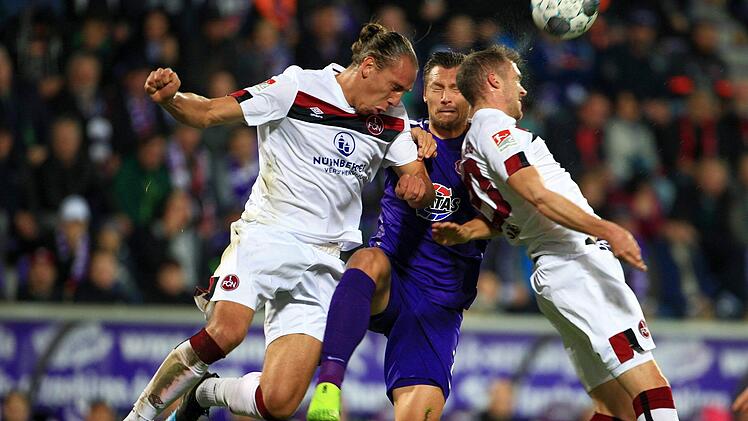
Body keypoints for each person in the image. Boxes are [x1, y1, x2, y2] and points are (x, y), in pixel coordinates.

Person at [124, 23, 437, 421]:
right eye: (395, 87)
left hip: (325, 260)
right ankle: (140, 415)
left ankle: (203, 393)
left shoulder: (392, 118)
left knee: (279, 402)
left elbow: (420, 181)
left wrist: (417, 187)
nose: (398, 98)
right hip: (268, 235)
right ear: (368, 66)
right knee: (227, 332)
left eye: (404, 93)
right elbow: (206, 112)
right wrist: (171, 100)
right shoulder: (296, 88)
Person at [433, 45, 678, 421]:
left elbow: (508, 218)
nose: (523, 90)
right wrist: (607, 228)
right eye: (516, 80)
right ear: (494, 80)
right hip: (577, 263)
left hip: (553, 272)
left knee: (615, 408)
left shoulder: (470, 148)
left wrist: (467, 232)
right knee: (649, 384)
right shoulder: (495, 128)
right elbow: (536, 194)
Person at [307, 51, 497, 421]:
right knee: (366, 259)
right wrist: (409, 132)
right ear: (423, 94)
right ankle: (329, 388)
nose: (445, 97)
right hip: (392, 277)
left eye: (455, 89)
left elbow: (509, 220)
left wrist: (469, 231)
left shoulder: (488, 151)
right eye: (436, 88)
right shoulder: (400, 135)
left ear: (471, 96)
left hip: (438, 304)